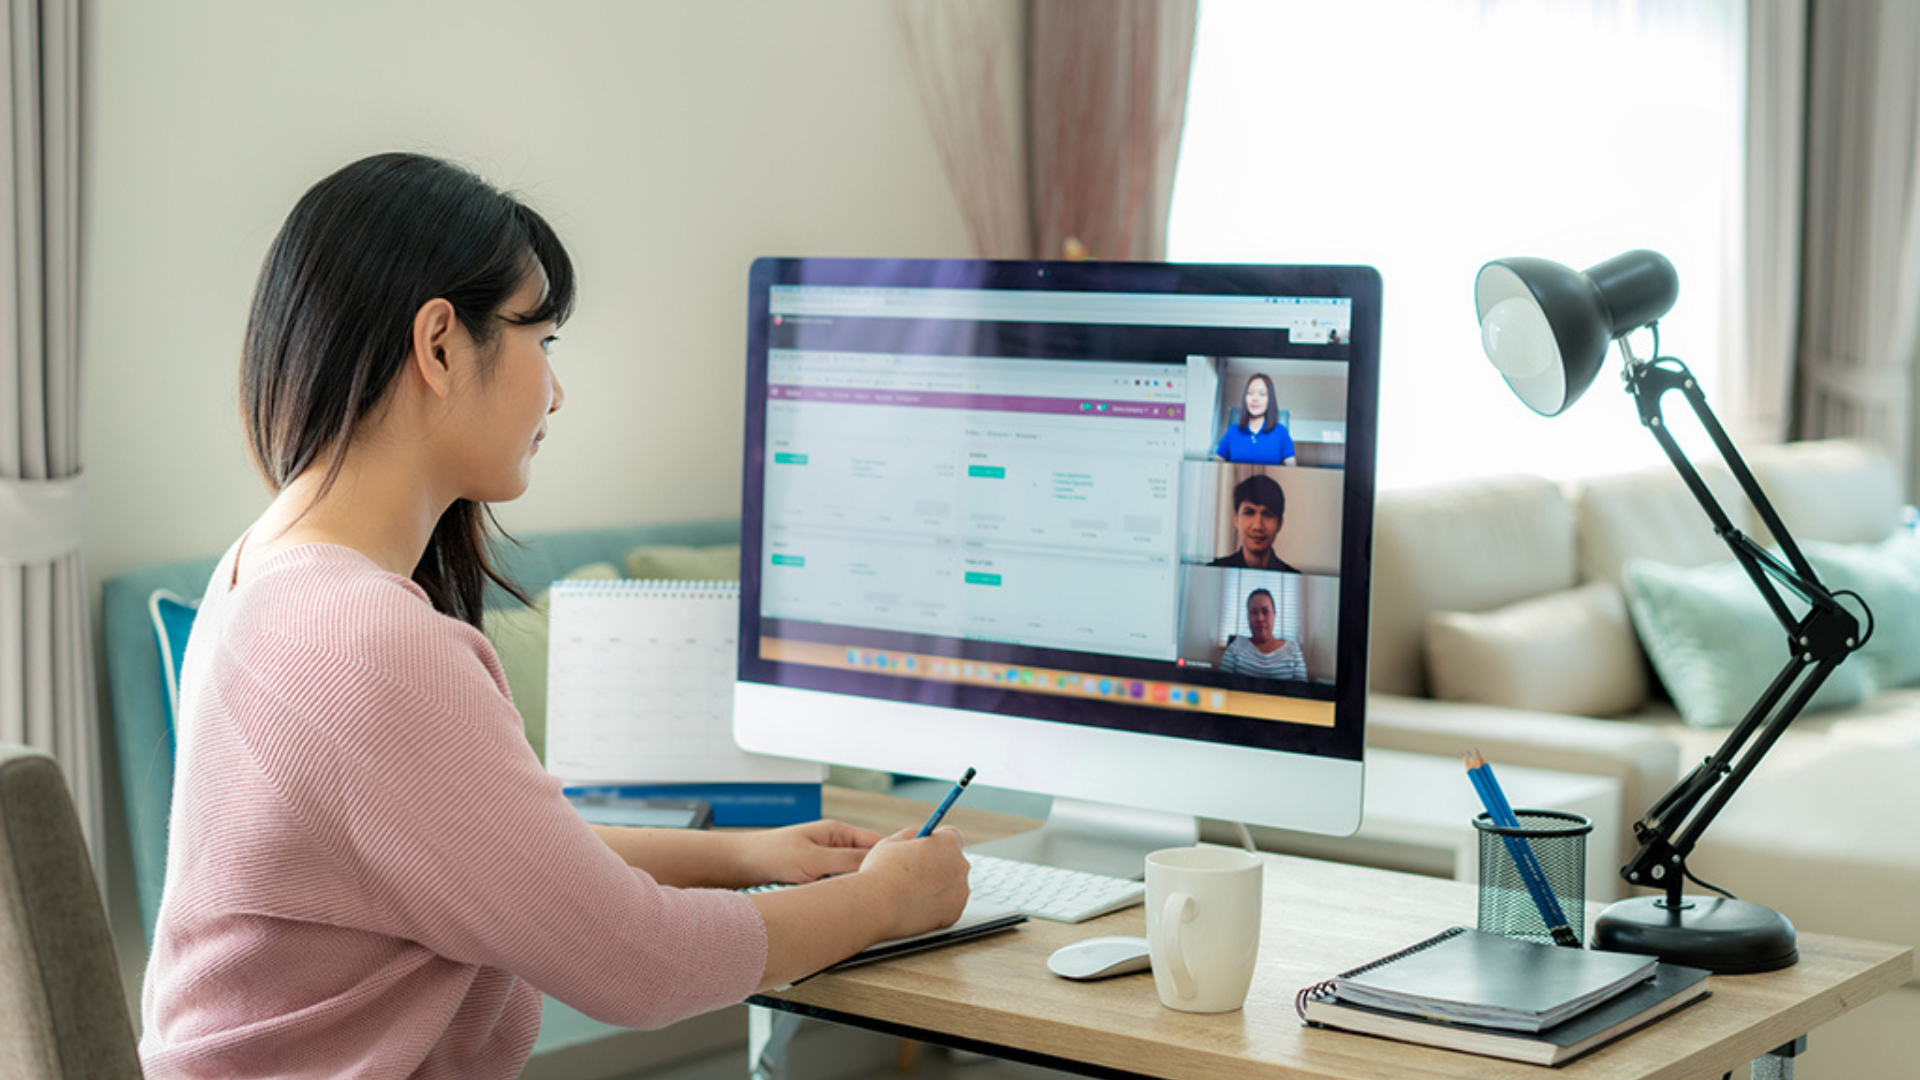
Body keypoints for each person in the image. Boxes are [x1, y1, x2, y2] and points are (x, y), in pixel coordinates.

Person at [138, 152, 971, 1080]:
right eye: (544, 341)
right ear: (441, 345)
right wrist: (887, 901)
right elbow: (643, 965)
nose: (556, 391)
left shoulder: (263, 569)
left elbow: (500, 854)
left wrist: (743, 853)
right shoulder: (368, 643)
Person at [1210, 473, 1300, 572]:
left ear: (1280, 523)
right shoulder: (1213, 569)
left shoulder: (1293, 574)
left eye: (1268, 514)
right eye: (1249, 513)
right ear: (1236, 519)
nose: (1257, 526)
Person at [1218, 588, 1309, 680]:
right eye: (1254, 612)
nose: (1260, 618)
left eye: (1265, 612)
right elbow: (1221, 686)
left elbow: (1302, 691)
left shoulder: (1293, 650)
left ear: (1274, 615)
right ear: (1248, 617)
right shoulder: (1236, 647)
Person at [1212, 373, 1296, 465]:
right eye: (1250, 393)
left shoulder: (1281, 433)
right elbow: (1215, 468)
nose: (1255, 398)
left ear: (1270, 400)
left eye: (1262, 394)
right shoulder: (1232, 432)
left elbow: (1292, 472)